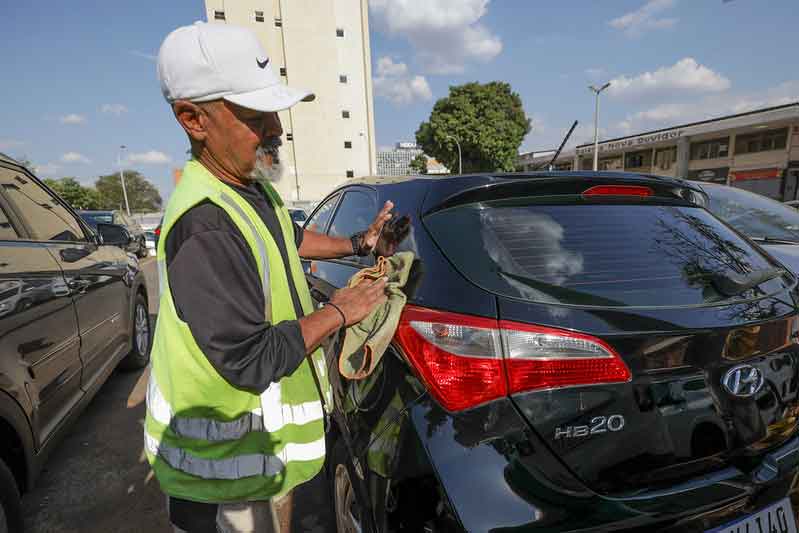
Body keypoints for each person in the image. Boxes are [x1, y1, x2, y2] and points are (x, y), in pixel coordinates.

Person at [144, 22, 397, 533]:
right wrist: (340, 311)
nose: (277, 130)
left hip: (251, 461)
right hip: (219, 475)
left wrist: (358, 244)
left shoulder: (249, 188)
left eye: (274, 113)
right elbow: (250, 358)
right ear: (193, 119)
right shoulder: (205, 225)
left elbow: (290, 237)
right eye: (256, 117)